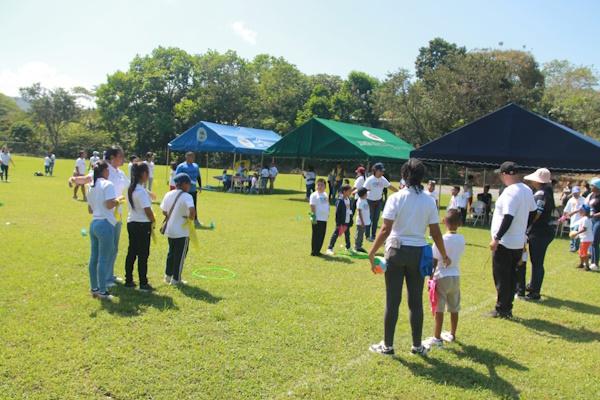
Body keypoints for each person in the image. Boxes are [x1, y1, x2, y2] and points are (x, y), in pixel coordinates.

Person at [368, 158, 450, 356]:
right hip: (418, 253)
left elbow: (385, 229)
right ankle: (416, 345)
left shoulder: (396, 198)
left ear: (404, 175)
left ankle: (387, 346)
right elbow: (436, 233)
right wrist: (444, 255)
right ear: (422, 177)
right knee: (415, 302)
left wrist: (372, 252)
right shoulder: (429, 200)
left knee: (392, 301)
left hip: (395, 251)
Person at [488, 162, 537, 318]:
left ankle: (502, 308)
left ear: (507, 174)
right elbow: (533, 212)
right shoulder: (527, 189)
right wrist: (523, 229)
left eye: (502, 174)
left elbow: (508, 216)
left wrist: (497, 238)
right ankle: (507, 307)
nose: (501, 177)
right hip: (517, 241)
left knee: (502, 276)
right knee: (511, 275)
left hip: (505, 242)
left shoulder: (510, 192)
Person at [424, 209, 465, 347]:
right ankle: (452, 334)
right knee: (454, 307)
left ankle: (437, 337)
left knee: (439, 308)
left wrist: (430, 278)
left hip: (442, 275)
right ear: (459, 223)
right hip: (455, 275)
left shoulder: (441, 240)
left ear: (444, 222)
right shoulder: (461, 239)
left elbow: (434, 261)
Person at [86, 160, 118, 300]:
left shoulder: (91, 186)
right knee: (104, 258)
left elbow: (90, 209)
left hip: (94, 223)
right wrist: (117, 201)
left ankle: (94, 288)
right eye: (108, 170)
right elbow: (110, 204)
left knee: (94, 257)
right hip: (105, 224)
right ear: (104, 171)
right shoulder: (108, 184)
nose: (109, 172)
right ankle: (103, 291)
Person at [523, 168, 556, 301]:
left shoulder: (541, 194)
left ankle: (534, 292)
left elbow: (537, 213)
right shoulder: (546, 193)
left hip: (539, 233)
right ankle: (532, 286)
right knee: (537, 262)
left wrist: (527, 224)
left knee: (537, 263)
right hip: (543, 232)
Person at [160, 173, 196, 285]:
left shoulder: (168, 194)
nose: (190, 186)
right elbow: (192, 210)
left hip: (170, 230)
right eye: (189, 184)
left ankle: (167, 276)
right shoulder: (187, 196)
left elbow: (163, 210)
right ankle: (176, 279)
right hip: (182, 231)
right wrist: (190, 218)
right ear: (184, 184)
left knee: (171, 253)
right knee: (180, 256)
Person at [125, 162, 156, 291]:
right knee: (143, 254)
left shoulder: (131, 188)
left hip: (132, 222)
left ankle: (129, 280)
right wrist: (153, 220)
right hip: (142, 225)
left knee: (132, 252)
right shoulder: (140, 192)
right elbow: (147, 211)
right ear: (143, 174)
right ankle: (143, 283)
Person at [364, 163, 398, 241]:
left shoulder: (383, 179)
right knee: (369, 219)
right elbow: (364, 189)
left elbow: (390, 186)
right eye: (380, 171)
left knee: (376, 219)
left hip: (378, 201)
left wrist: (400, 192)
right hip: (370, 201)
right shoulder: (370, 179)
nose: (382, 173)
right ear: (375, 170)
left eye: (383, 171)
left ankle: (373, 236)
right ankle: (367, 236)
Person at [175, 152, 202, 228]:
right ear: (186, 157)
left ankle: (195, 221)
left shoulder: (196, 166)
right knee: (183, 206)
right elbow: (177, 178)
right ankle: (180, 220)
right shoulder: (181, 166)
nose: (192, 158)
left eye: (193, 157)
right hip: (183, 190)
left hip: (193, 190)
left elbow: (198, 176)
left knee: (193, 206)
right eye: (190, 157)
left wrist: (200, 186)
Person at [326, 184, 353, 256]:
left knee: (347, 234)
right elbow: (337, 212)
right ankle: (329, 248)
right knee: (336, 234)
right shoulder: (340, 201)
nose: (351, 192)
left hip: (347, 221)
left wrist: (351, 219)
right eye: (349, 191)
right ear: (344, 191)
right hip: (341, 221)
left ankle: (348, 247)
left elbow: (349, 210)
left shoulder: (349, 200)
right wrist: (338, 223)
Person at [309, 178, 330, 256]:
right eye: (318, 185)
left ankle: (318, 250)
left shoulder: (325, 194)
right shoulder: (314, 195)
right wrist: (313, 217)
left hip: (324, 218)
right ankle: (314, 251)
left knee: (322, 235)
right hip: (317, 218)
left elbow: (327, 205)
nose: (320, 186)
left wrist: (328, 213)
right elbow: (312, 207)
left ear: (325, 187)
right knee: (316, 235)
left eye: (322, 185)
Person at [563, 186, 586, 252]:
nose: (575, 194)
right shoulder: (571, 200)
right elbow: (566, 210)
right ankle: (572, 246)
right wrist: (563, 217)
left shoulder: (584, 200)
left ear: (579, 192)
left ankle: (575, 247)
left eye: (577, 193)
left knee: (576, 233)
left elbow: (586, 209)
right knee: (572, 234)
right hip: (572, 220)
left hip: (580, 220)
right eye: (574, 193)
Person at [574, 205, 593, 271]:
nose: (580, 211)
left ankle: (587, 266)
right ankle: (581, 264)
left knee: (584, 253)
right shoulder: (584, 218)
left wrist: (576, 233)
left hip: (586, 239)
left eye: (581, 210)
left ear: (585, 212)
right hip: (584, 238)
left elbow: (584, 229)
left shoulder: (585, 219)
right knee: (580, 252)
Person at [588, 178, 600, 271]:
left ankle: (595, 263)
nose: (591, 187)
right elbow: (590, 206)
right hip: (592, 220)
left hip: (599, 221)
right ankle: (591, 261)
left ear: (597, 187)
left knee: (595, 241)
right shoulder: (592, 195)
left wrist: (595, 214)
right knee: (591, 241)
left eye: (592, 185)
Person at [354, 187, 370, 253]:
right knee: (359, 234)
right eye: (366, 193)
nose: (367, 194)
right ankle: (357, 247)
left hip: (365, 221)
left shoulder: (364, 200)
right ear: (363, 194)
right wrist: (362, 222)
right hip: (361, 222)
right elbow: (359, 212)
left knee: (361, 234)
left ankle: (359, 246)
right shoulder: (360, 201)